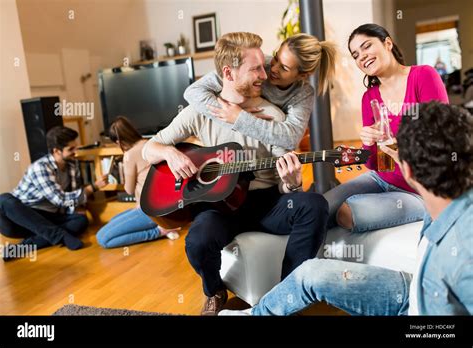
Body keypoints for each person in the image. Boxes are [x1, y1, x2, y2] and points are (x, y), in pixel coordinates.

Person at [220, 101, 473, 316]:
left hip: (420, 304)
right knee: (310, 272)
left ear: (405, 170)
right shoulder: (449, 195)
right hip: (417, 286)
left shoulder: (464, 253)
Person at [142, 32, 329, 315]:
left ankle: (288, 293)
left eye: (265, 67)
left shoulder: (272, 117)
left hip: (266, 203)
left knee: (314, 205)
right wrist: (169, 153)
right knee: (198, 239)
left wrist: (292, 184)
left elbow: (285, 177)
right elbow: (149, 148)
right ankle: (215, 290)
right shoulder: (200, 111)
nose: (265, 75)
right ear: (228, 73)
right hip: (221, 204)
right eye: (257, 68)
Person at [324, 23, 449, 234]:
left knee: (345, 214)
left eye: (366, 46)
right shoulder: (369, 97)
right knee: (320, 207)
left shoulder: (423, 76)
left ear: (387, 43)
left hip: (418, 189)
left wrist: (404, 149)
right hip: (381, 178)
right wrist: (367, 143)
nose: (361, 56)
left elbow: (444, 139)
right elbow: (374, 164)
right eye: (355, 54)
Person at [183, 33, 336, 150]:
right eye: (276, 58)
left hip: (269, 151)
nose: (272, 69)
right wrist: (229, 115)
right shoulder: (262, 65)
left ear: (302, 75)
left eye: (284, 68)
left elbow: (291, 138)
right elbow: (193, 91)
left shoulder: (303, 93)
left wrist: (240, 119)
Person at [0, 126, 108, 260]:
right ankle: (60, 235)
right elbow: (60, 200)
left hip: (49, 217)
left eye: (76, 147)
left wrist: (79, 207)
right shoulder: (40, 167)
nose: (76, 152)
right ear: (56, 151)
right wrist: (93, 187)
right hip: (22, 218)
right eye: (71, 149)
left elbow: (72, 198)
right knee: (3, 199)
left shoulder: (72, 167)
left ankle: (23, 247)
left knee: (80, 220)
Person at [96, 116, 180, 248]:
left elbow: (129, 190)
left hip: (151, 210)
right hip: (167, 206)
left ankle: (160, 231)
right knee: (113, 221)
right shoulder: (153, 143)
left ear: (118, 141)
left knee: (102, 239)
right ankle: (162, 226)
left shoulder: (130, 155)